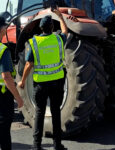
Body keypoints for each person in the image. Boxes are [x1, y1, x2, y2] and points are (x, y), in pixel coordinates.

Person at [18, 7, 68, 150]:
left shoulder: (34, 42)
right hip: (57, 83)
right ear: (52, 27)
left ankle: (36, 146)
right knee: (56, 113)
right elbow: (65, 31)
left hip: (40, 85)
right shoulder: (58, 39)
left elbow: (29, 64)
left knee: (39, 114)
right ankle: (57, 145)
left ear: (40, 27)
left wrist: (22, 81)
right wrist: (60, 16)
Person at [0, 16, 24, 150]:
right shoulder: (3, 50)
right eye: (4, 26)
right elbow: (7, 77)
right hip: (3, 96)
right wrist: (18, 98)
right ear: (2, 29)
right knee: (4, 132)